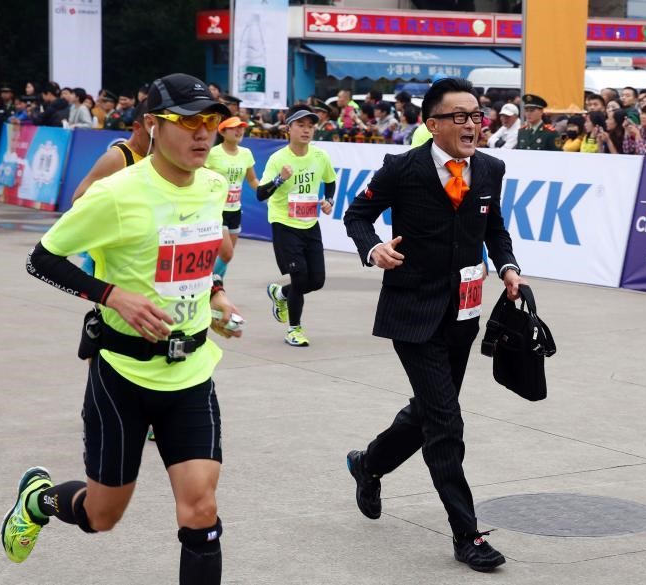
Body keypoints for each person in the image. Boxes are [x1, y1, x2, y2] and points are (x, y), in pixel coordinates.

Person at [1, 73, 237, 585]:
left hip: (192, 371)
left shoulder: (214, 184)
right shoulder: (115, 194)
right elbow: (42, 259)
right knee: (102, 516)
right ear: (152, 124)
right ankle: (39, 502)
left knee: (201, 510)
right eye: (188, 121)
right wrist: (111, 295)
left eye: (212, 121)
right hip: (123, 376)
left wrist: (214, 292)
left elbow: (192, 254)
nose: (203, 133)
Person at [342, 77, 525, 573]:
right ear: (432, 124)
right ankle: (467, 534)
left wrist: (507, 267)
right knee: (446, 421)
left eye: (476, 116)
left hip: (463, 313)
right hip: (412, 312)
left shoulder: (490, 168)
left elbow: (494, 229)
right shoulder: (402, 168)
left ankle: (369, 463)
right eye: (460, 116)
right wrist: (372, 247)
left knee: (427, 411)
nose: (472, 125)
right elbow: (356, 216)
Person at [257, 105, 337, 347]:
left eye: (311, 126)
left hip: (310, 223)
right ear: (288, 128)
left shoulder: (320, 156)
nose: (306, 130)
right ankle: (294, 330)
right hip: (284, 223)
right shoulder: (278, 159)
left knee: (317, 281)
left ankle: (280, 293)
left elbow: (330, 181)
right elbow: (261, 194)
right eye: (300, 125)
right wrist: (280, 178)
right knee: (300, 277)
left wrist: (329, 201)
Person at [205, 116, 258, 280]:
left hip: (235, 209)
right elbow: (199, 177)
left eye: (241, 127)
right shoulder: (212, 153)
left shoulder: (246, 153)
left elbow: (252, 180)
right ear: (222, 131)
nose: (239, 130)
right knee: (226, 254)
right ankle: (208, 285)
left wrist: (268, 192)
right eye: (234, 127)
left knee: (225, 256)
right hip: (216, 209)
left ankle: (216, 290)